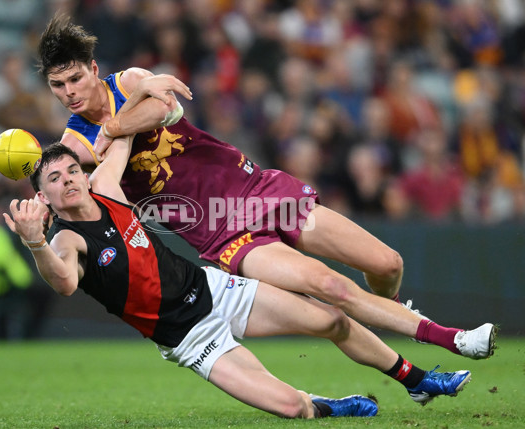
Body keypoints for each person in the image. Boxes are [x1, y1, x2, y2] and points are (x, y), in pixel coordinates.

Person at [36, 15, 497, 360]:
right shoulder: (75, 143)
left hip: (257, 187)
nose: (69, 91)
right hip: (218, 228)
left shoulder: (129, 82)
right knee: (331, 288)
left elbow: (165, 109)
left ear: (94, 69)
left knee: (386, 262)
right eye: (58, 85)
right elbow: (92, 182)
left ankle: (394, 307)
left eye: (75, 77)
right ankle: (453, 339)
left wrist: (115, 125)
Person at [3, 140, 472, 419]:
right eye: (53, 179)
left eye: (70, 170)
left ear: (82, 174)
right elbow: (64, 282)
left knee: (332, 320)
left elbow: (120, 129)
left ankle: (416, 378)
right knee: (293, 410)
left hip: (213, 290)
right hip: (189, 338)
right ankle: (325, 405)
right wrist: (35, 242)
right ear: (42, 196)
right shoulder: (66, 239)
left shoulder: (106, 188)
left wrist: (145, 85)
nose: (67, 180)